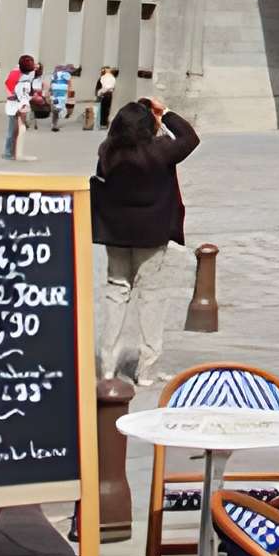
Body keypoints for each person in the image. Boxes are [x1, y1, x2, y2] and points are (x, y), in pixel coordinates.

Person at [91, 96, 200, 388]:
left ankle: (108, 365)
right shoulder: (161, 151)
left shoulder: (107, 152)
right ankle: (147, 369)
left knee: (116, 292)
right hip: (152, 234)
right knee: (151, 296)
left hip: (115, 233)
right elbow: (190, 138)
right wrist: (165, 113)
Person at [3, 54, 36, 159]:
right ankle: (9, 153)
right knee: (12, 130)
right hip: (15, 105)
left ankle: (14, 152)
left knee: (17, 130)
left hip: (20, 104)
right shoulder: (17, 76)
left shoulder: (25, 76)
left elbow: (27, 92)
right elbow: (12, 90)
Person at [49, 59, 72, 130]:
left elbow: (51, 83)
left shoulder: (54, 74)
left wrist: (51, 91)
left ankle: (54, 122)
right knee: (59, 106)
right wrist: (69, 91)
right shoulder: (66, 74)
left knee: (56, 106)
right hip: (62, 92)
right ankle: (54, 124)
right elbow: (69, 83)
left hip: (55, 92)